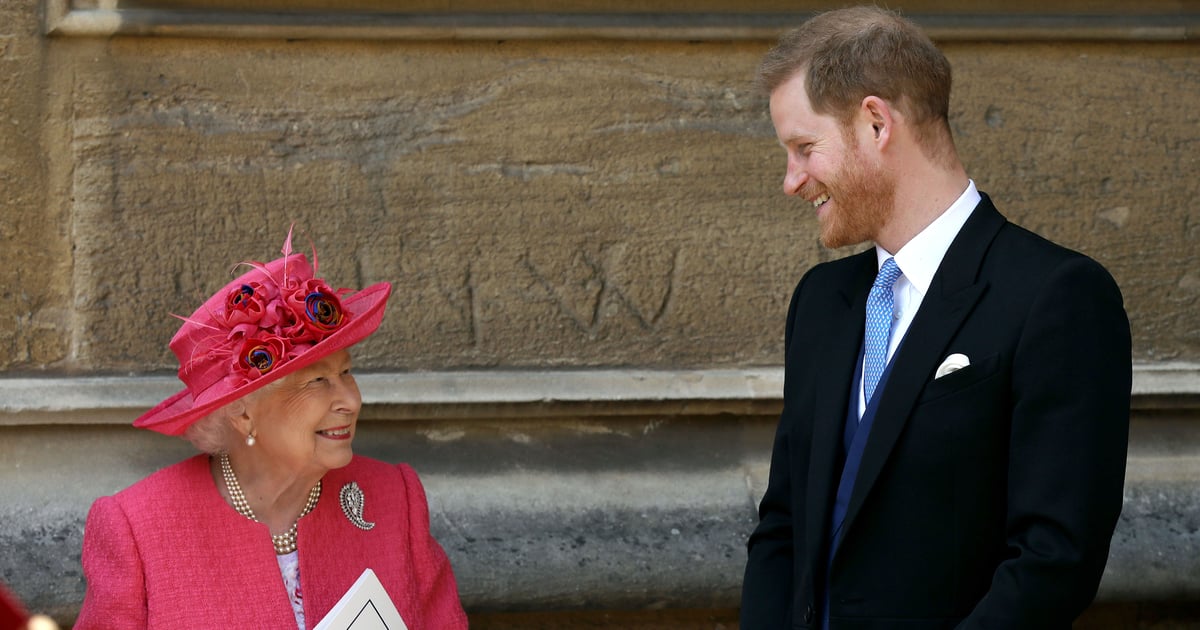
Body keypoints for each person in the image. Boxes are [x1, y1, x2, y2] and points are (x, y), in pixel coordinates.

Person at [740, 6, 1131, 629]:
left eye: (804, 148)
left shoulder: (1057, 297)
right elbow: (784, 523)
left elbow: (1054, 560)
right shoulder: (822, 302)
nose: (792, 181)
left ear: (875, 123)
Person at [76, 229, 468, 629]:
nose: (350, 401)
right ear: (243, 413)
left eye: (346, 372)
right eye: (317, 381)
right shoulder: (137, 528)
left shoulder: (393, 498)